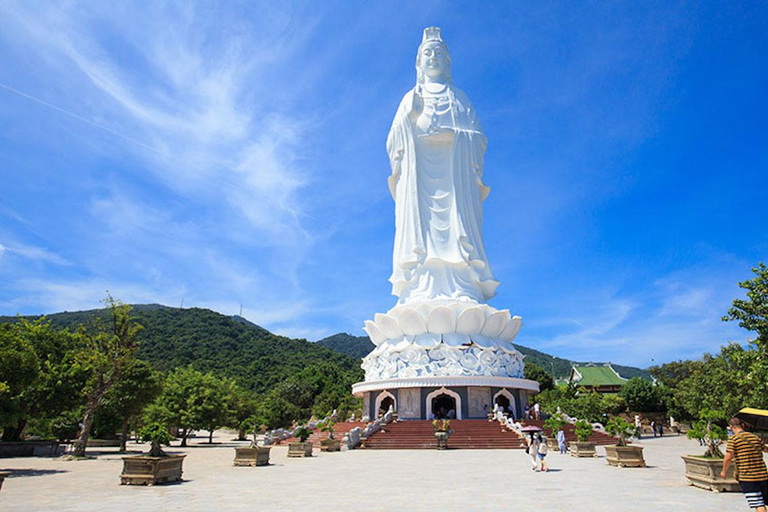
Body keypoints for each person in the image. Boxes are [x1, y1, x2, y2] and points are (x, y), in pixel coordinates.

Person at [387, 27, 497, 304]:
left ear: (447, 62)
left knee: (458, 235)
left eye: (439, 53)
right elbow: (392, 143)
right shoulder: (409, 99)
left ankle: (463, 287)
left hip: (455, 180)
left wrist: (457, 138)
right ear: (419, 62)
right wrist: (408, 120)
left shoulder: (459, 99)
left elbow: (479, 139)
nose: (433, 57)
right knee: (421, 238)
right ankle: (420, 288)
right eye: (428, 53)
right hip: (419, 182)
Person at [721, 417, 768, 512]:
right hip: (763, 475)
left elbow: (728, 457)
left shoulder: (734, 439)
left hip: (748, 477)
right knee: (762, 501)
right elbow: (766, 450)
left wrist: (724, 471)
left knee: (758, 504)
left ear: (731, 426)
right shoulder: (755, 437)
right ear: (742, 425)